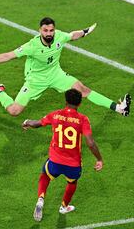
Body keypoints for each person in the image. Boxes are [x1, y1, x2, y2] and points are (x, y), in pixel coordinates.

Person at [0, 17, 131, 117]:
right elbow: (8, 55)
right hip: (35, 80)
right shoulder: (32, 45)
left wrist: (85, 32)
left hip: (55, 74)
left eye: (51, 30)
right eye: (46, 30)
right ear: (40, 31)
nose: (49, 33)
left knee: (83, 89)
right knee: (14, 111)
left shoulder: (59, 36)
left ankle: (119, 108)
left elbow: (73, 35)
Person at [22, 89, 103, 221]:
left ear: (66, 101)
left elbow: (37, 123)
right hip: (73, 164)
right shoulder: (83, 119)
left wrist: (27, 122)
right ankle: (64, 206)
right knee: (72, 182)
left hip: (55, 161)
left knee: (45, 176)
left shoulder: (56, 115)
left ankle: (41, 198)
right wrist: (99, 159)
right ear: (80, 103)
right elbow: (90, 143)